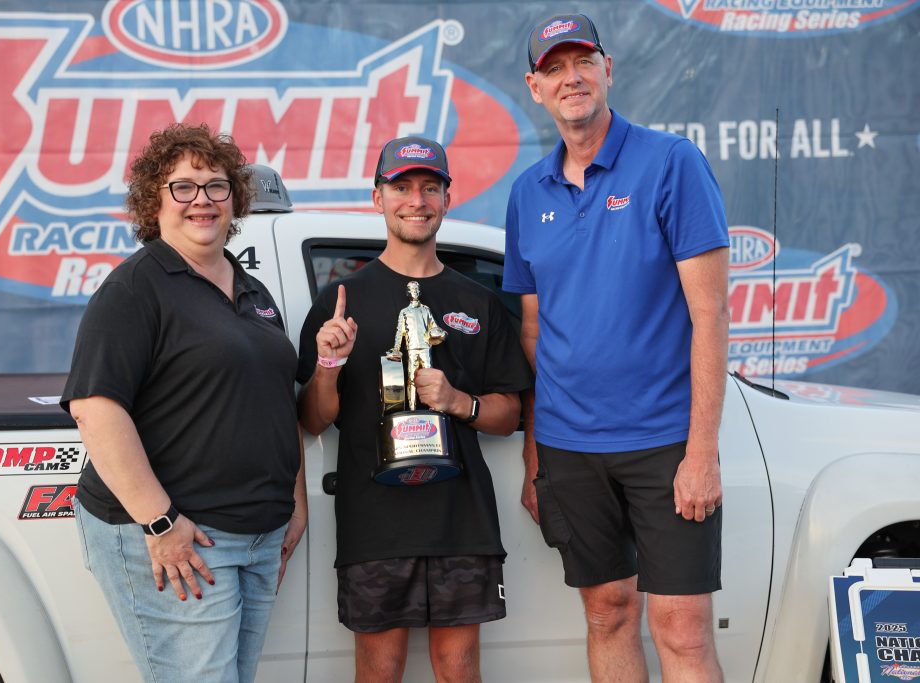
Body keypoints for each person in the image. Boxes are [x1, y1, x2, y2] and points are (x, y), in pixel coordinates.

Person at [503, 13, 731, 683]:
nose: (571, 78)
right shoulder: (526, 193)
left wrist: (701, 453)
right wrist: (536, 452)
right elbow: (533, 333)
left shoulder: (671, 162)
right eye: (554, 68)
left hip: (664, 442)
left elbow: (711, 315)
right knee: (606, 613)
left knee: (682, 628)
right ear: (535, 87)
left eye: (583, 62)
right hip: (570, 449)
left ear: (608, 69)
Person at [61, 123, 306, 683]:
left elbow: (274, 399)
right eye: (184, 187)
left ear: (234, 199)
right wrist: (162, 522)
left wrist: (295, 504)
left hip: (257, 535)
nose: (203, 199)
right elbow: (95, 409)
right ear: (155, 200)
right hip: (184, 536)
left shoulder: (250, 289)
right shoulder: (135, 288)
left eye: (217, 185)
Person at [297, 136, 532, 682]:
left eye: (430, 188)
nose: (416, 201)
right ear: (377, 198)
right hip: (374, 519)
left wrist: (458, 401)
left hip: (460, 517)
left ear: (447, 199)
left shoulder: (476, 300)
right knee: (379, 671)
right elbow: (311, 418)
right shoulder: (341, 301)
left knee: (459, 669)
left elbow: (509, 414)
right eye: (401, 187)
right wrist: (329, 364)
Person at [387, 280, 447, 410]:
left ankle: (432, 406)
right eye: (412, 290)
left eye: (416, 289)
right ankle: (412, 408)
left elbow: (434, 326)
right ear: (408, 293)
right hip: (412, 349)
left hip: (425, 347)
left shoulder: (426, 310)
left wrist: (441, 334)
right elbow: (400, 332)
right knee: (412, 378)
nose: (415, 292)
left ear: (419, 292)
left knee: (430, 378)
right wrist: (396, 348)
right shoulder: (404, 312)